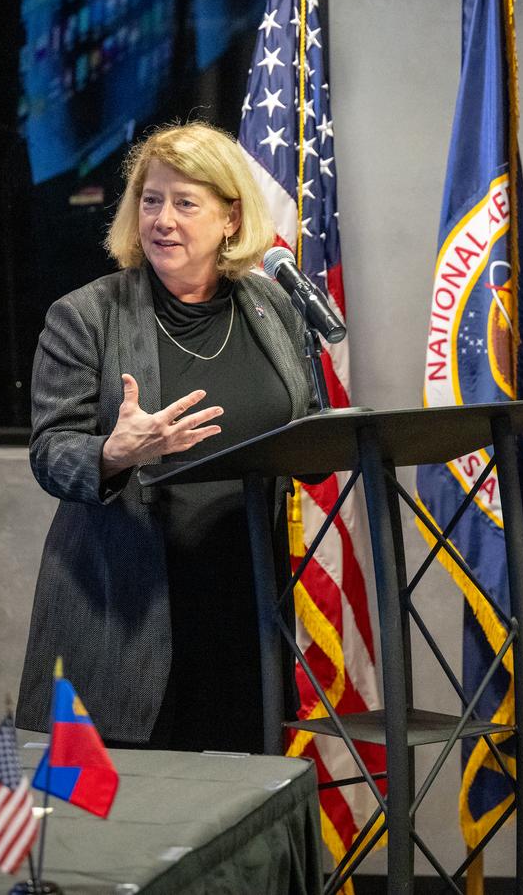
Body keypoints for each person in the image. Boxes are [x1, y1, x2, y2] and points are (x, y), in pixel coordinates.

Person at [16, 122, 315, 753]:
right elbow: (49, 453)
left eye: (185, 203)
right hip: (124, 616)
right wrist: (113, 452)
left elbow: (302, 424)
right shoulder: (87, 316)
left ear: (231, 218)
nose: (163, 220)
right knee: (101, 832)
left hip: (246, 614)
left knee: (234, 820)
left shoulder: (272, 308)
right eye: (151, 201)